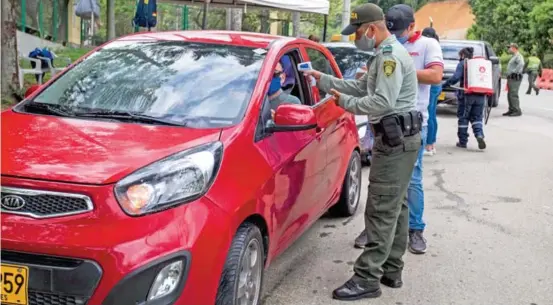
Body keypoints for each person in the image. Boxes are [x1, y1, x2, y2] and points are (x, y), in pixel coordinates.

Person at [304, 3, 421, 301]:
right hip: (400, 141)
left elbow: (380, 102)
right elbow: (360, 87)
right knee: (397, 206)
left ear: (371, 28)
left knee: (381, 209)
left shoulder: (390, 57)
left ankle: (367, 278)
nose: (355, 37)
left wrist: (342, 103)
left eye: (357, 31)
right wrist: (323, 79)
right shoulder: (382, 54)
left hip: (395, 143)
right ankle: (392, 270)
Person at [353, 4, 444, 254]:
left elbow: (436, 76)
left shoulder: (426, 45)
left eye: (401, 30)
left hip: (410, 123)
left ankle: (415, 230)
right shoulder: (385, 46)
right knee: (381, 184)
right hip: (381, 120)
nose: (397, 34)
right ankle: (377, 230)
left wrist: (400, 72)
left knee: (410, 180)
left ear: (412, 26)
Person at [442, 47, 487, 150]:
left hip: (466, 96)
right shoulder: (478, 64)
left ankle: (463, 142)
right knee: (477, 117)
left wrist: (444, 85)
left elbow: (455, 78)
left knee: (463, 117)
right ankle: (479, 134)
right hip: (480, 95)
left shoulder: (463, 64)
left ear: (462, 55)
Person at [421, 27, 442, 156]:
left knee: (428, 114)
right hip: (436, 85)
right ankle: (432, 143)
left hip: (431, 84)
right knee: (432, 114)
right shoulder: (436, 46)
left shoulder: (428, 46)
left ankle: (428, 145)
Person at [504, 43, 524, 117]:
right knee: (510, 94)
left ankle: (517, 110)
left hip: (515, 77)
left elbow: (521, 64)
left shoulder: (518, 56)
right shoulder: (514, 56)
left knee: (513, 94)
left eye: (509, 47)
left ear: (514, 48)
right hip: (511, 77)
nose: (508, 49)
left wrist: (514, 71)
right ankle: (511, 109)